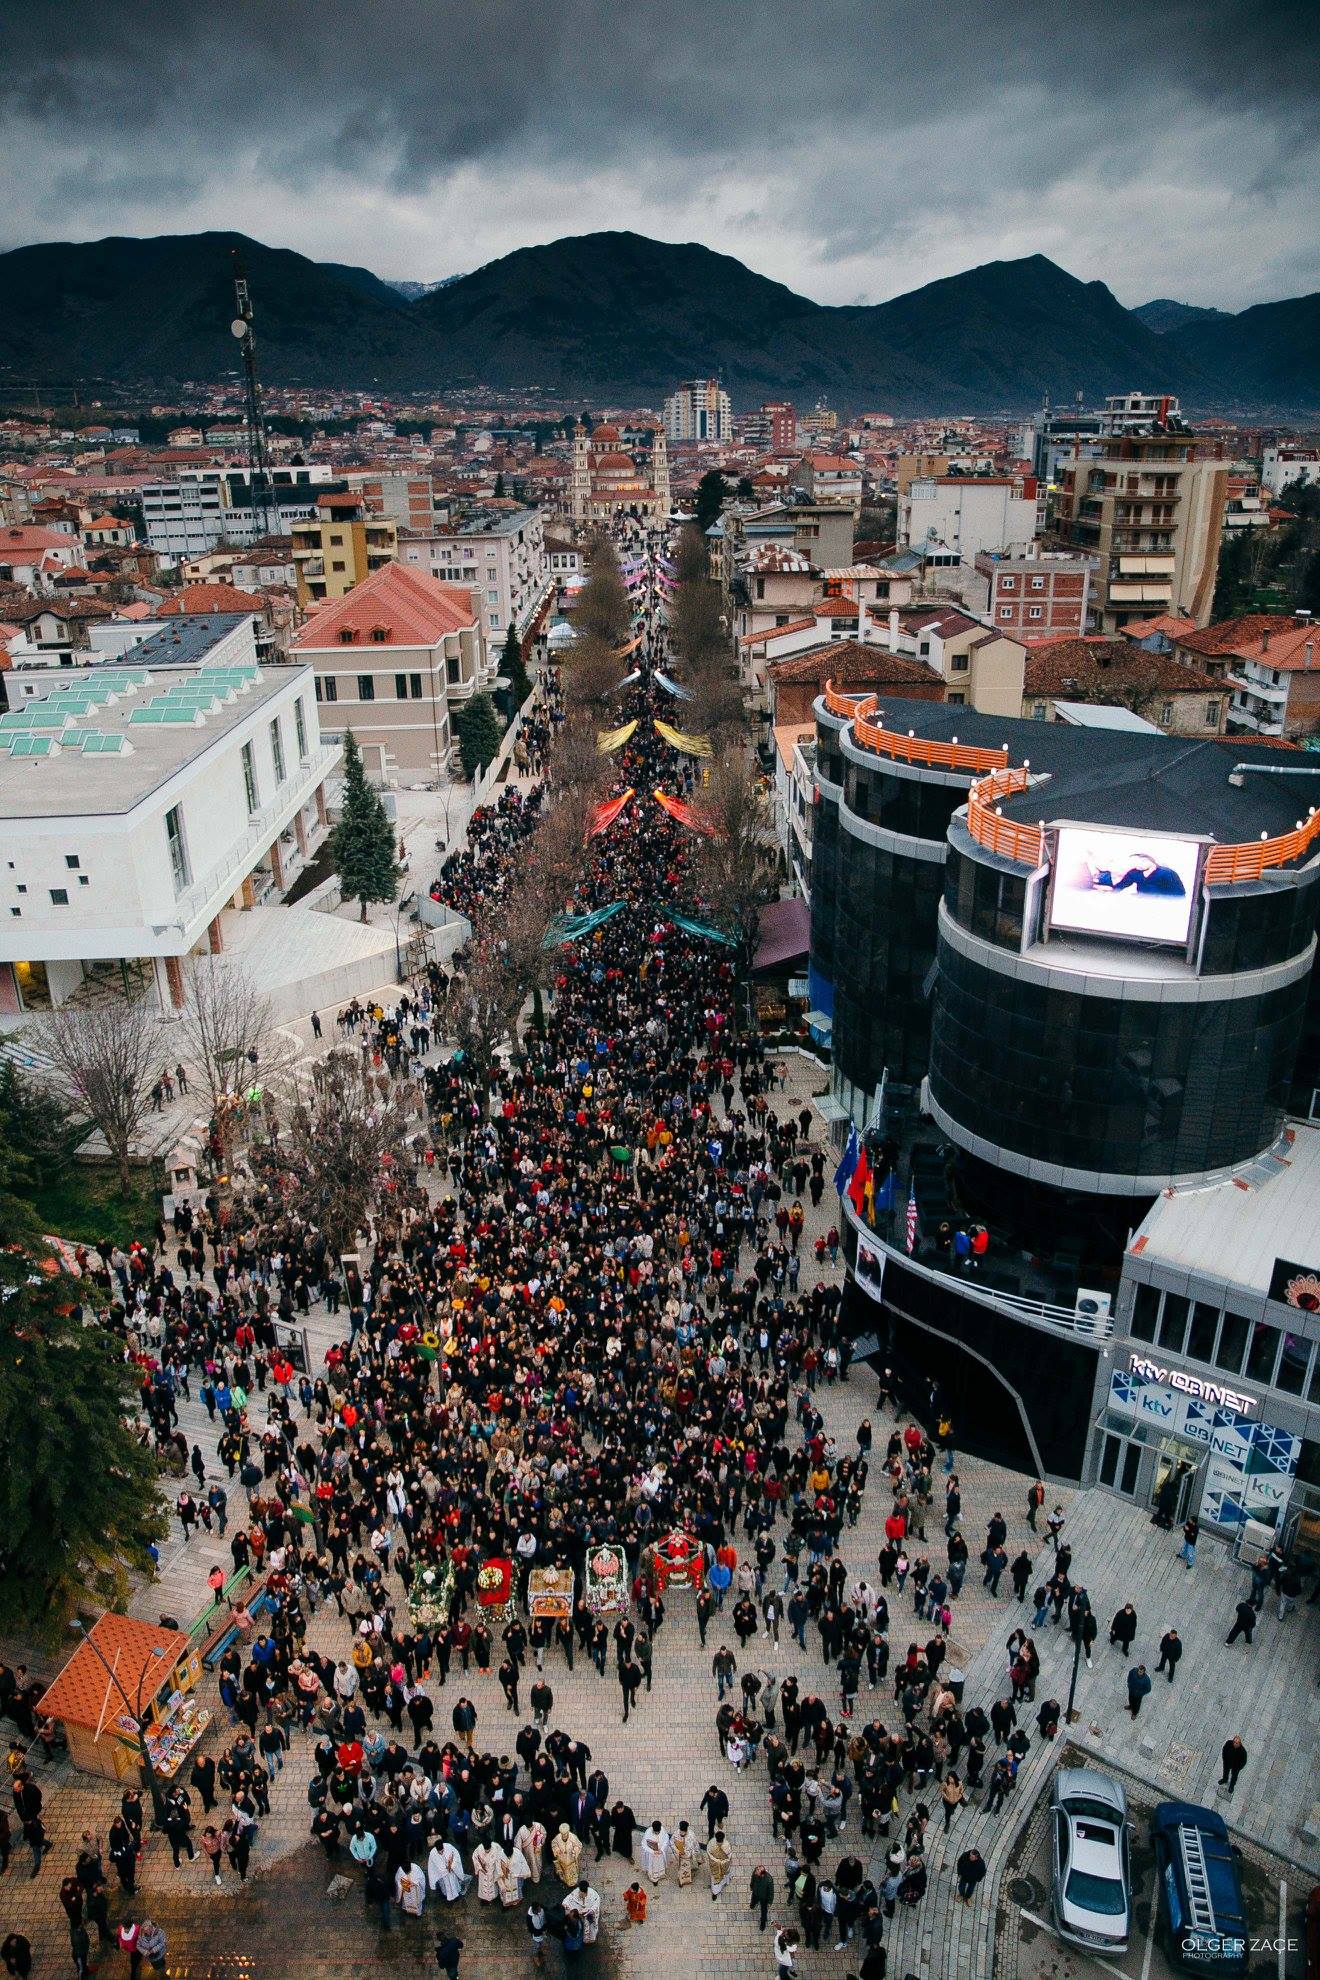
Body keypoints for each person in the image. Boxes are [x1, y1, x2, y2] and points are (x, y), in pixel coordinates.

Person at [706, 1828, 732, 1900]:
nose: (719, 1843)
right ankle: (715, 1892)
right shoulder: (711, 1843)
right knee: (715, 1878)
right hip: (715, 1866)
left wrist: (723, 1862)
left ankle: (725, 1882)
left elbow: (729, 1856)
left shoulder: (726, 1844)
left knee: (724, 1875)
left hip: (724, 1865)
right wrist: (718, 1861)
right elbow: (709, 1854)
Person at [750, 1862, 776, 1930]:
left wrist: (770, 1902)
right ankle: (752, 1905)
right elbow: (752, 1879)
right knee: (753, 1901)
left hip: (764, 1898)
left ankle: (763, 1924)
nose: (755, 1871)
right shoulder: (755, 1873)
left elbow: (771, 1892)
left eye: (757, 1870)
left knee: (764, 1911)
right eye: (757, 1869)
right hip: (755, 1893)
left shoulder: (769, 1880)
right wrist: (751, 1886)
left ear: (762, 1874)